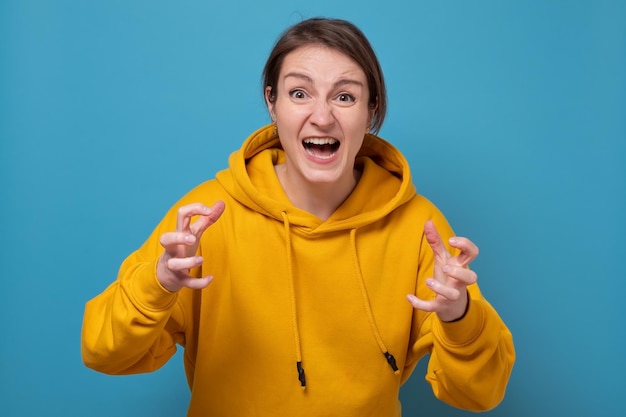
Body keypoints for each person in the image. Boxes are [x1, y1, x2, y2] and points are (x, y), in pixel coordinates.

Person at [81, 17, 515, 416]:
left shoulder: (419, 227)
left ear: (371, 112)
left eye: (345, 96)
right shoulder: (207, 217)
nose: (322, 117)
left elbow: (481, 393)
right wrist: (157, 286)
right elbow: (103, 352)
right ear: (272, 104)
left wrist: (459, 316)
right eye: (299, 93)